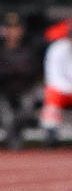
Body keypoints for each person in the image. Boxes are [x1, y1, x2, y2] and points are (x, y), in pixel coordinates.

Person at [0, 13, 42, 150]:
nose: (13, 32)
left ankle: (15, 136)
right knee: (7, 116)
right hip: (4, 93)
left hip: (25, 90)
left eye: (16, 28)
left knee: (28, 106)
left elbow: (33, 73)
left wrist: (12, 71)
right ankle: (14, 142)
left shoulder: (30, 49)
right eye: (10, 28)